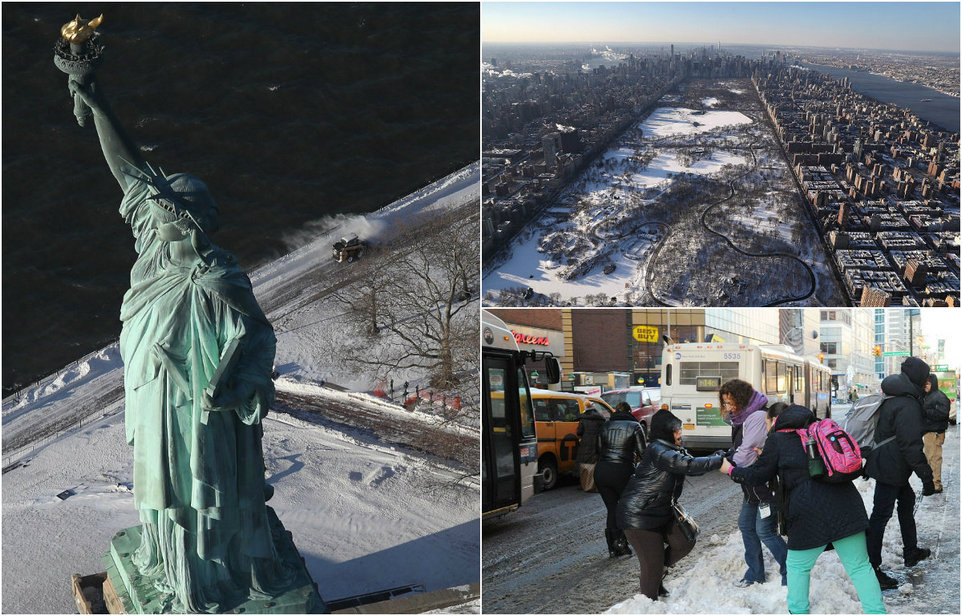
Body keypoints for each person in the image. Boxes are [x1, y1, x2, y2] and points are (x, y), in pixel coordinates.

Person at [70, 79, 298, 610]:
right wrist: (96, 96)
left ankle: (204, 579)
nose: (153, 210)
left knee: (194, 497)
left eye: (166, 209)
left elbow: (259, 340)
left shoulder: (218, 280)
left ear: (186, 223)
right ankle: (163, 557)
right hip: (151, 396)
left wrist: (240, 387)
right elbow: (130, 173)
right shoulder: (155, 247)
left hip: (195, 412)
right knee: (157, 488)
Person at [720, 404, 886, 614]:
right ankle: (877, 612)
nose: (767, 427)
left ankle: (798, 611)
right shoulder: (821, 430)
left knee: (798, 567)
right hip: (847, 507)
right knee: (860, 567)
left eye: (767, 422)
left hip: (807, 513)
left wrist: (730, 469)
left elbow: (758, 475)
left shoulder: (777, 439)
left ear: (776, 420)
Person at [616, 409, 724, 600]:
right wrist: (719, 461)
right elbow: (688, 466)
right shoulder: (660, 451)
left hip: (661, 510)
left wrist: (719, 455)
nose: (680, 433)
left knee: (684, 541)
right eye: (677, 430)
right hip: (640, 516)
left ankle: (658, 574)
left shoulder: (671, 449)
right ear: (667, 431)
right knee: (652, 564)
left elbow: (692, 465)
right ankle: (648, 603)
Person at [864, 357, 936, 590]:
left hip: (891, 464)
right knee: (880, 516)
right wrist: (927, 477)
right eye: (925, 377)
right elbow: (911, 446)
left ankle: (911, 551)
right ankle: (872, 569)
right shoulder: (907, 404)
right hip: (890, 467)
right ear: (917, 377)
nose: (927, 382)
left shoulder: (900, 396)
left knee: (906, 502)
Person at [718, 379, 788, 587]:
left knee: (764, 530)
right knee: (746, 525)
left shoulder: (756, 416)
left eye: (731, 403)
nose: (729, 408)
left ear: (742, 399)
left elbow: (747, 453)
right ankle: (755, 572)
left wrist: (727, 465)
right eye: (725, 403)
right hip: (752, 487)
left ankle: (790, 570)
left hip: (764, 487)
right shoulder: (743, 418)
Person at [594, 401, 645, 557]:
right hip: (623, 471)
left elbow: (598, 450)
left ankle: (612, 546)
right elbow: (643, 452)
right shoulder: (635, 426)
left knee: (612, 508)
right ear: (630, 411)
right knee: (625, 508)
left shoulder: (605, 426)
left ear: (615, 411)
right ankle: (621, 541)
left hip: (602, 471)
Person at [921, 374, 950, 494]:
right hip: (931, 432)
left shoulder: (938, 396)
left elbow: (943, 413)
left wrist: (925, 412)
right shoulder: (930, 396)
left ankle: (936, 485)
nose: (925, 386)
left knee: (933, 459)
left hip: (934, 432)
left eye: (927, 384)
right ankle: (934, 483)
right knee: (931, 458)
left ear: (933, 383)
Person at [576, 402, 606, 492]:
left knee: (584, 464)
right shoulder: (600, 418)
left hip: (585, 443)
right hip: (597, 442)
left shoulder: (583, 418)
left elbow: (579, 432)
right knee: (595, 464)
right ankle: (595, 484)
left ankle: (584, 483)